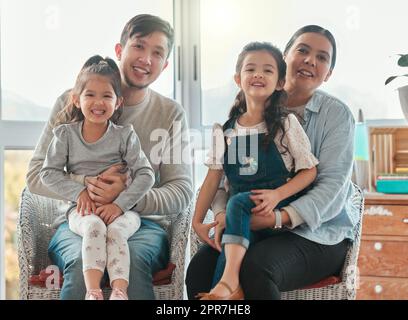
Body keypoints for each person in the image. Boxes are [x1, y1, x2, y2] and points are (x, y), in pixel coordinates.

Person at [27, 14, 193, 300]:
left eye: (157, 53)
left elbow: (182, 191)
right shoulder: (74, 100)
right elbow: (36, 175)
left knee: (134, 260)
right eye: (139, 46)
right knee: (81, 263)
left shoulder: (171, 114)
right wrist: (87, 185)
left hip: (141, 222)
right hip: (76, 220)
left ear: (165, 66)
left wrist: (124, 197)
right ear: (120, 50)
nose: (146, 59)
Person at [186, 25, 359, 300]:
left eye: (322, 57)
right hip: (249, 219)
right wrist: (224, 216)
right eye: (302, 50)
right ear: (286, 57)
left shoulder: (335, 115)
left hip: (317, 234)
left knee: (257, 268)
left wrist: (276, 217)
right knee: (199, 269)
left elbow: (332, 187)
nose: (310, 60)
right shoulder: (238, 123)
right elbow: (221, 181)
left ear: (328, 74)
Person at [192, 42, 319, 300]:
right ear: (238, 79)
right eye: (251, 69)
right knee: (206, 268)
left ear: (280, 82)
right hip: (242, 217)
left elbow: (309, 171)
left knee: (238, 203)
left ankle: (229, 281)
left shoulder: (286, 123)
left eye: (268, 70)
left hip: (276, 211)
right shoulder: (225, 130)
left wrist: (277, 195)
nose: (258, 74)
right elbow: (213, 178)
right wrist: (197, 222)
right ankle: (226, 287)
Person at [40, 55, 155, 300]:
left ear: (118, 102)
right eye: (90, 94)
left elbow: (146, 174)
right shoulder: (65, 135)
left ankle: (119, 292)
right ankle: (93, 292)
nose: (98, 102)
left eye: (107, 96)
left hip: (122, 212)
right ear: (76, 99)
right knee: (94, 227)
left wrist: (119, 205)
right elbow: (47, 173)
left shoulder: (125, 135)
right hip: (82, 213)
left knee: (116, 233)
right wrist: (80, 191)